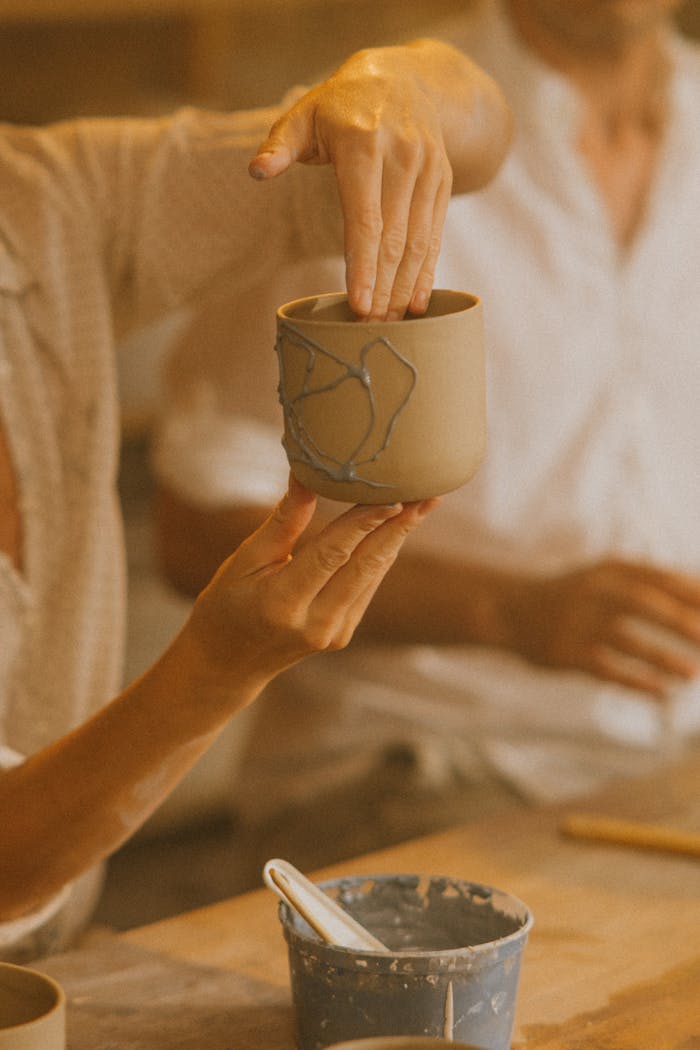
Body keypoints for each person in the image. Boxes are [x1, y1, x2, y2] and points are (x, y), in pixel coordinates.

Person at [0, 40, 513, 961]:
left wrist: (401, 89)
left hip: (60, 959)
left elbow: (482, 131)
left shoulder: (43, 199)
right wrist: (212, 673)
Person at [154, 0, 700, 825]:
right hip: (413, 761)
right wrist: (504, 612)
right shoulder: (374, 132)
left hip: (668, 763)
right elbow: (192, 529)